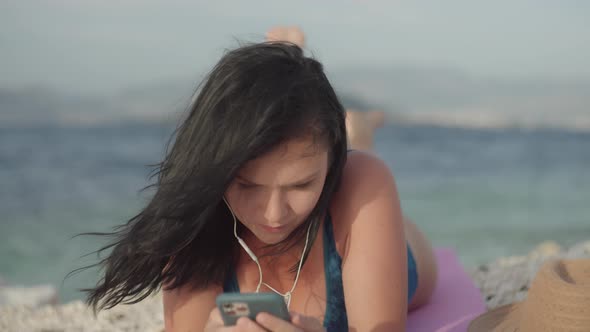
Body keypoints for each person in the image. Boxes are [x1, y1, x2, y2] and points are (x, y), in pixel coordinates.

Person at [80, 28, 437, 332]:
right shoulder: (194, 217)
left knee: (363, 163)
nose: (273, 214)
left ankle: (356, 131)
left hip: (370, 225)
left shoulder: (362, 181)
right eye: (247, 185)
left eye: (300, 185)